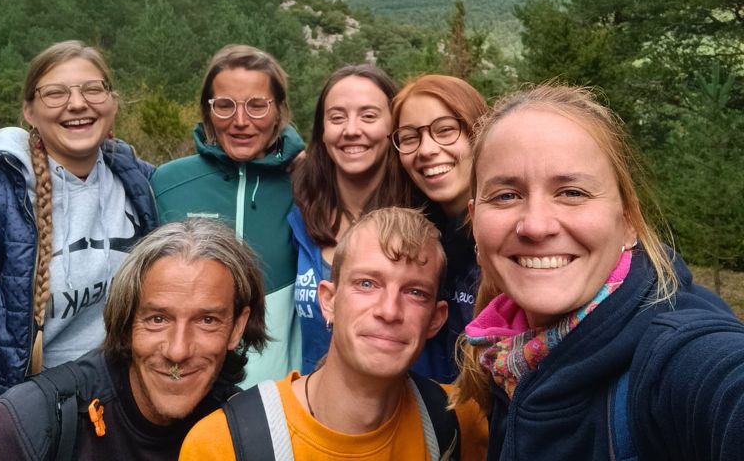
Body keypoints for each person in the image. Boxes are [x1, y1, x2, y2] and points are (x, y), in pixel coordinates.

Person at [451, 84, 744, 460]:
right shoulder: (506, 360)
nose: (536, 225)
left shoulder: (672, 359)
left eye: (572, 192)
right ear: (475, 224)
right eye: (506, 195)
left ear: (627, 221)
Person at [0, 40, 159, 458]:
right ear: (29, 110)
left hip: (127, 416)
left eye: (93, 90)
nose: (77, 104)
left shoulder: (143, 187)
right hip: (33, 427)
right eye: (56, 93)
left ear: (113, 102)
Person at [180, 207, 488, 461]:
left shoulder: (458, 420)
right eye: (367, 284)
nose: (389, 310)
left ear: (436, 319)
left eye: (415, 292)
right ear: (329, 301)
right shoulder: (224, 445)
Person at [0, 218, 267, 460]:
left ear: (238, 327)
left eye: (207, 320)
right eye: (157, 319)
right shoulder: (26, 425)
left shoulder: (247, 432)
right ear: (127, 320)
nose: (178, 350)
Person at [150, 44, 304, 388]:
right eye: (225, 106)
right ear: (208, 111)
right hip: (185, 391)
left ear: (279, 111)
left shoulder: (308, 184)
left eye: (257, 106)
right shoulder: (167, 182)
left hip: (280, 398)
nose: (240, 121)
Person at [290, 64, 410, 373]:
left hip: (403, 408)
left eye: (368, 116)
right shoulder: (299, 214)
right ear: (322, 131)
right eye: (337, 117)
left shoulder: (421, 220)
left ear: (393, 127)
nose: (351, 130)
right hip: (313, 407)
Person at [391, 74, 489, 382]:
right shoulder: (420, 241)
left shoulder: (514, 241)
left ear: (480, 133)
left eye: (445, 130)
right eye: (409, 138)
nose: (427, 149)